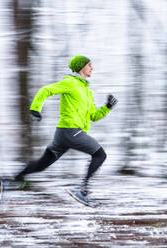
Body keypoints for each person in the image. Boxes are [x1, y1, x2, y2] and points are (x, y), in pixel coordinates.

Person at [14, 54, 118, 202]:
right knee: (100, 155)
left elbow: (93, 116)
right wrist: (35, 109)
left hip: (64, 133)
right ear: (81, 67)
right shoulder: (70, 82)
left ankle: (11, 181)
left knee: (42, 164)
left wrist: (107, 107)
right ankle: (82, 191)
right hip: (71, 131)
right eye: (89, 65)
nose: (92, 68)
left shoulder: (87, 91)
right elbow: (45, 90)